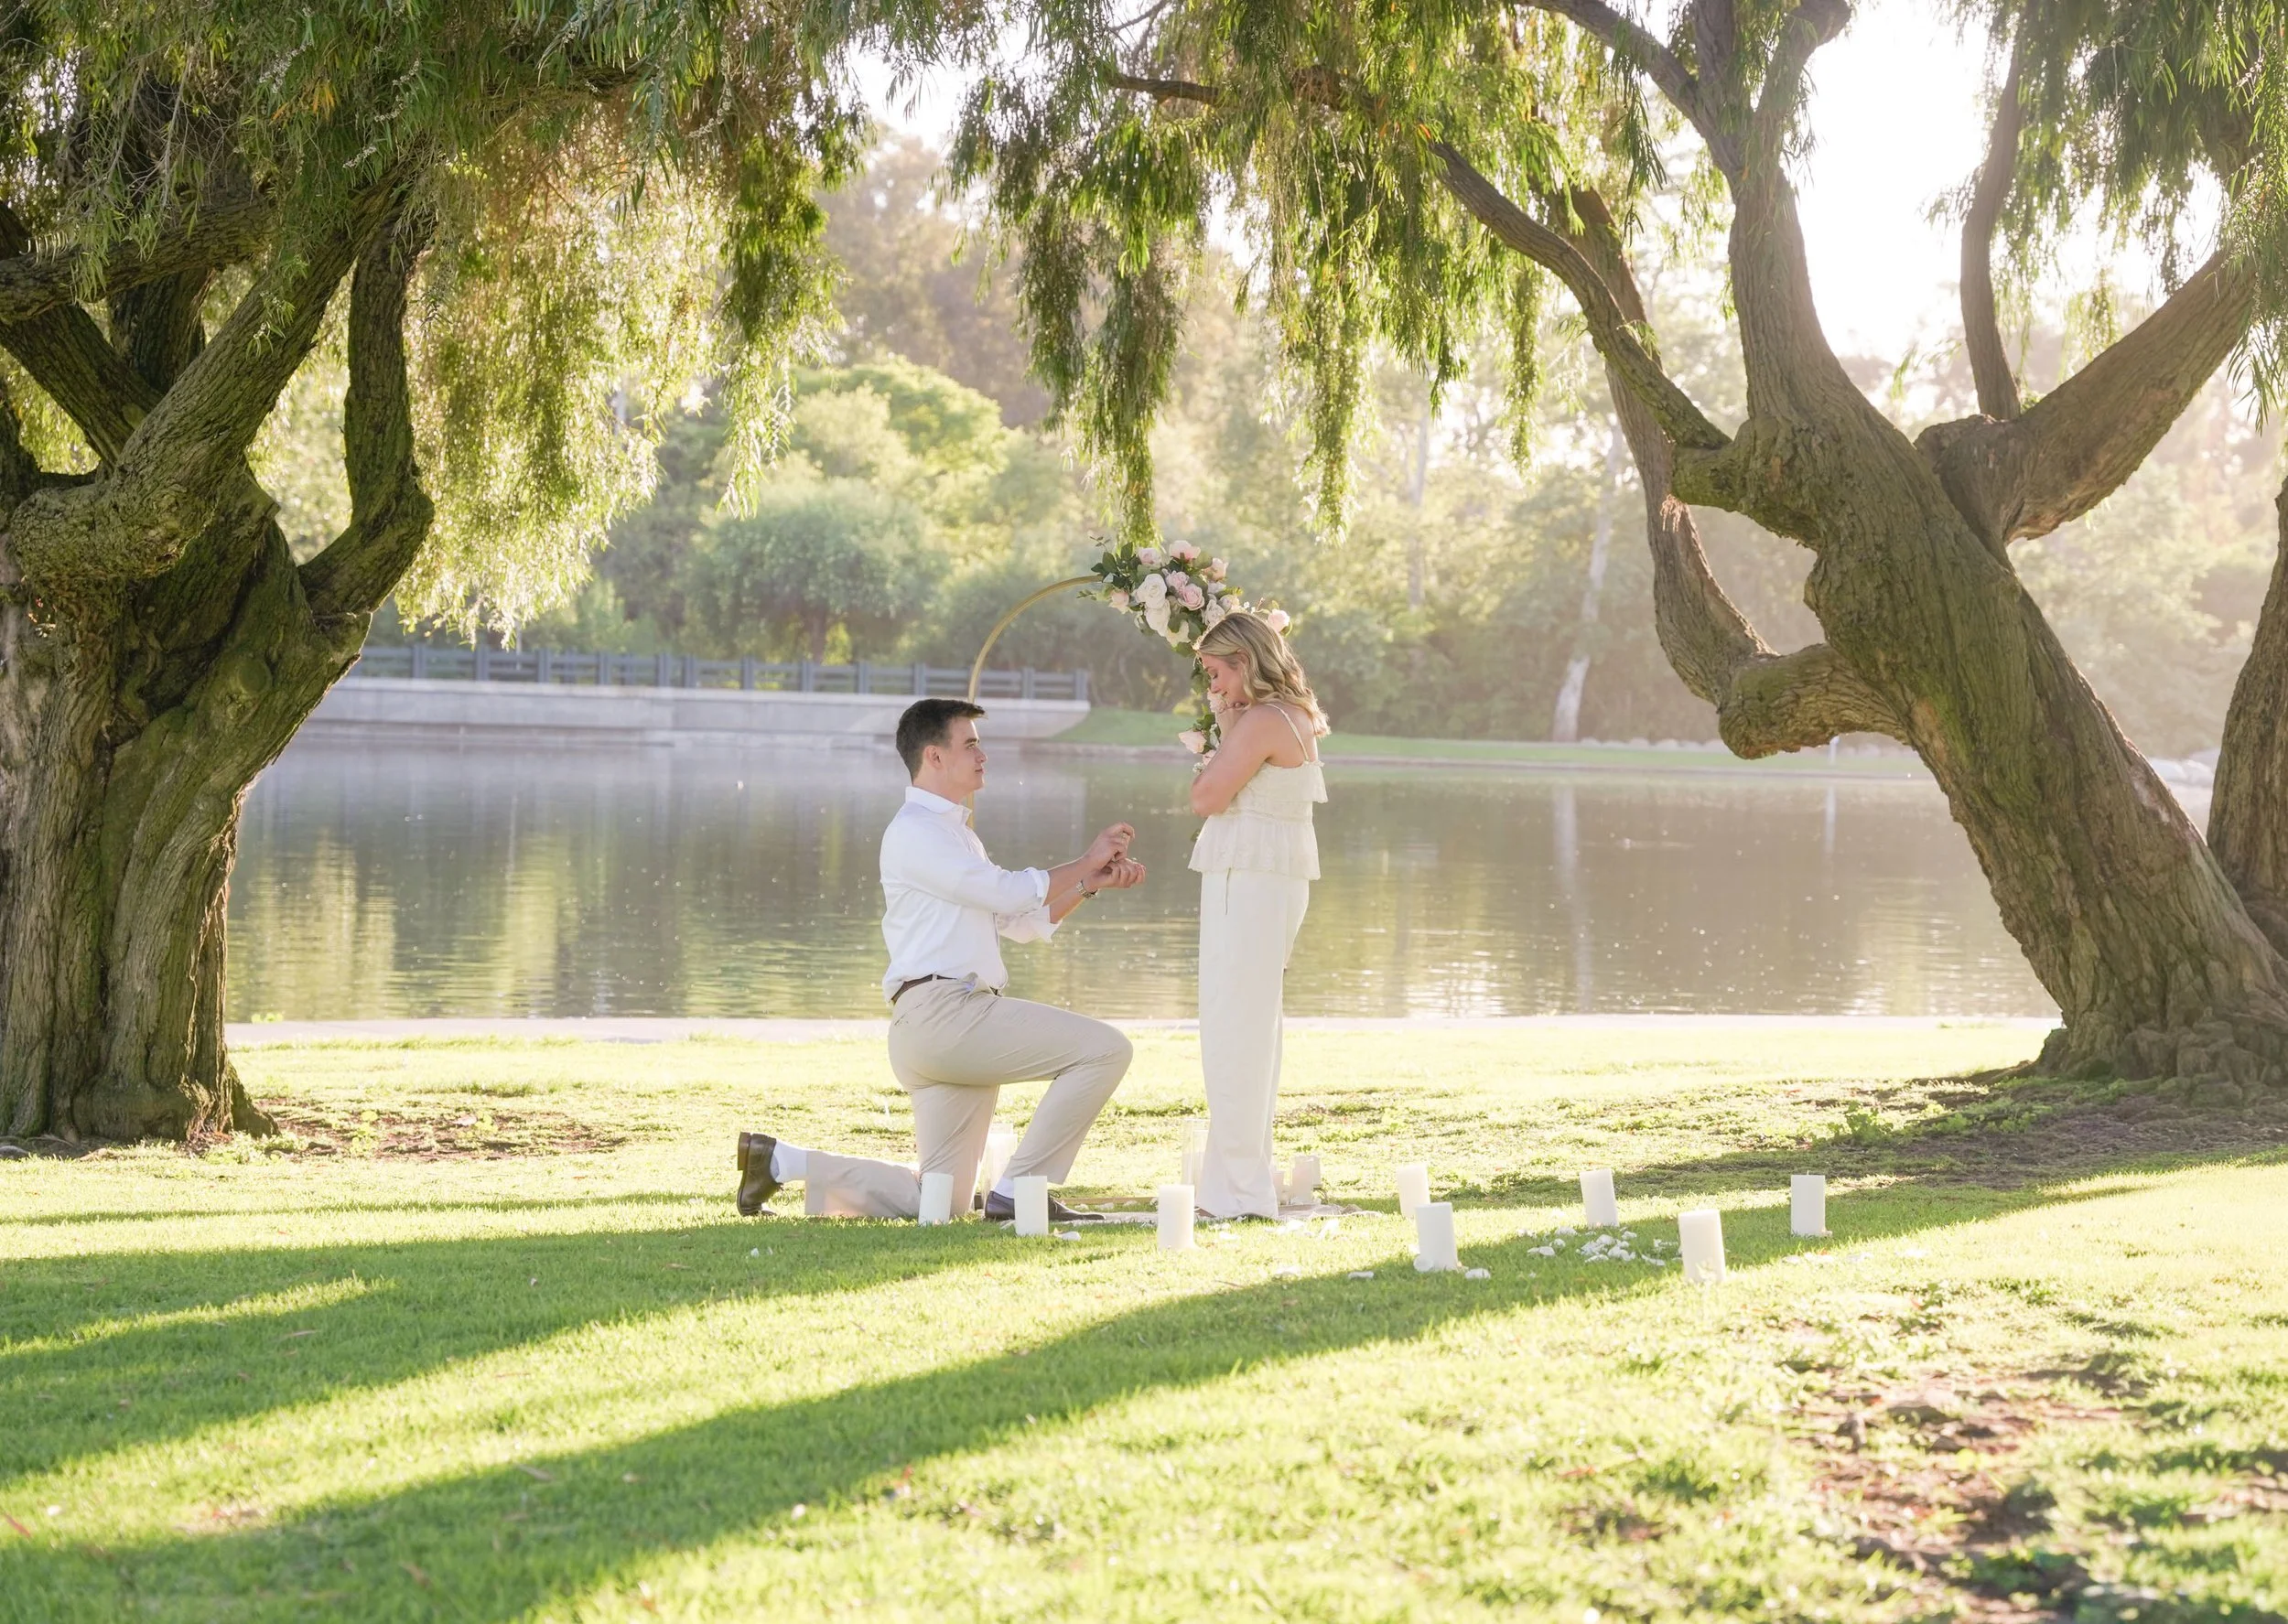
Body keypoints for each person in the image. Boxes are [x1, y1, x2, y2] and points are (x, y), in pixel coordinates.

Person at [734, 697, 1147, 1221]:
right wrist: (1086, 859)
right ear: (934, 756)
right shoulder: (916, 832)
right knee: (1105, 1051)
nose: (983, 755)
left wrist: (1089, 883)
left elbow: (1017, 923)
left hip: (939, 1028)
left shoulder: (956, 834)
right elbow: (1006, 892)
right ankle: (1021, 1193)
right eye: (970, 744)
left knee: (941, 1202)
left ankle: (781, 1161)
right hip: (946, 1016)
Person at [1186, 610, 1329, 1220]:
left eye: (1217, 673)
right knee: (1248, 1027)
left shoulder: (1263, 721)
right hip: (1267, 881)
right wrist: (1227, 718)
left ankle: (1242, 1186)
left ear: (1245, 662)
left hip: (1248, 885)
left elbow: (1205, 797)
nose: (1213, 686)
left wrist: (1224, 722)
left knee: (1233, 1028)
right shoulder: (1291, 715)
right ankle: (1236, 1176)